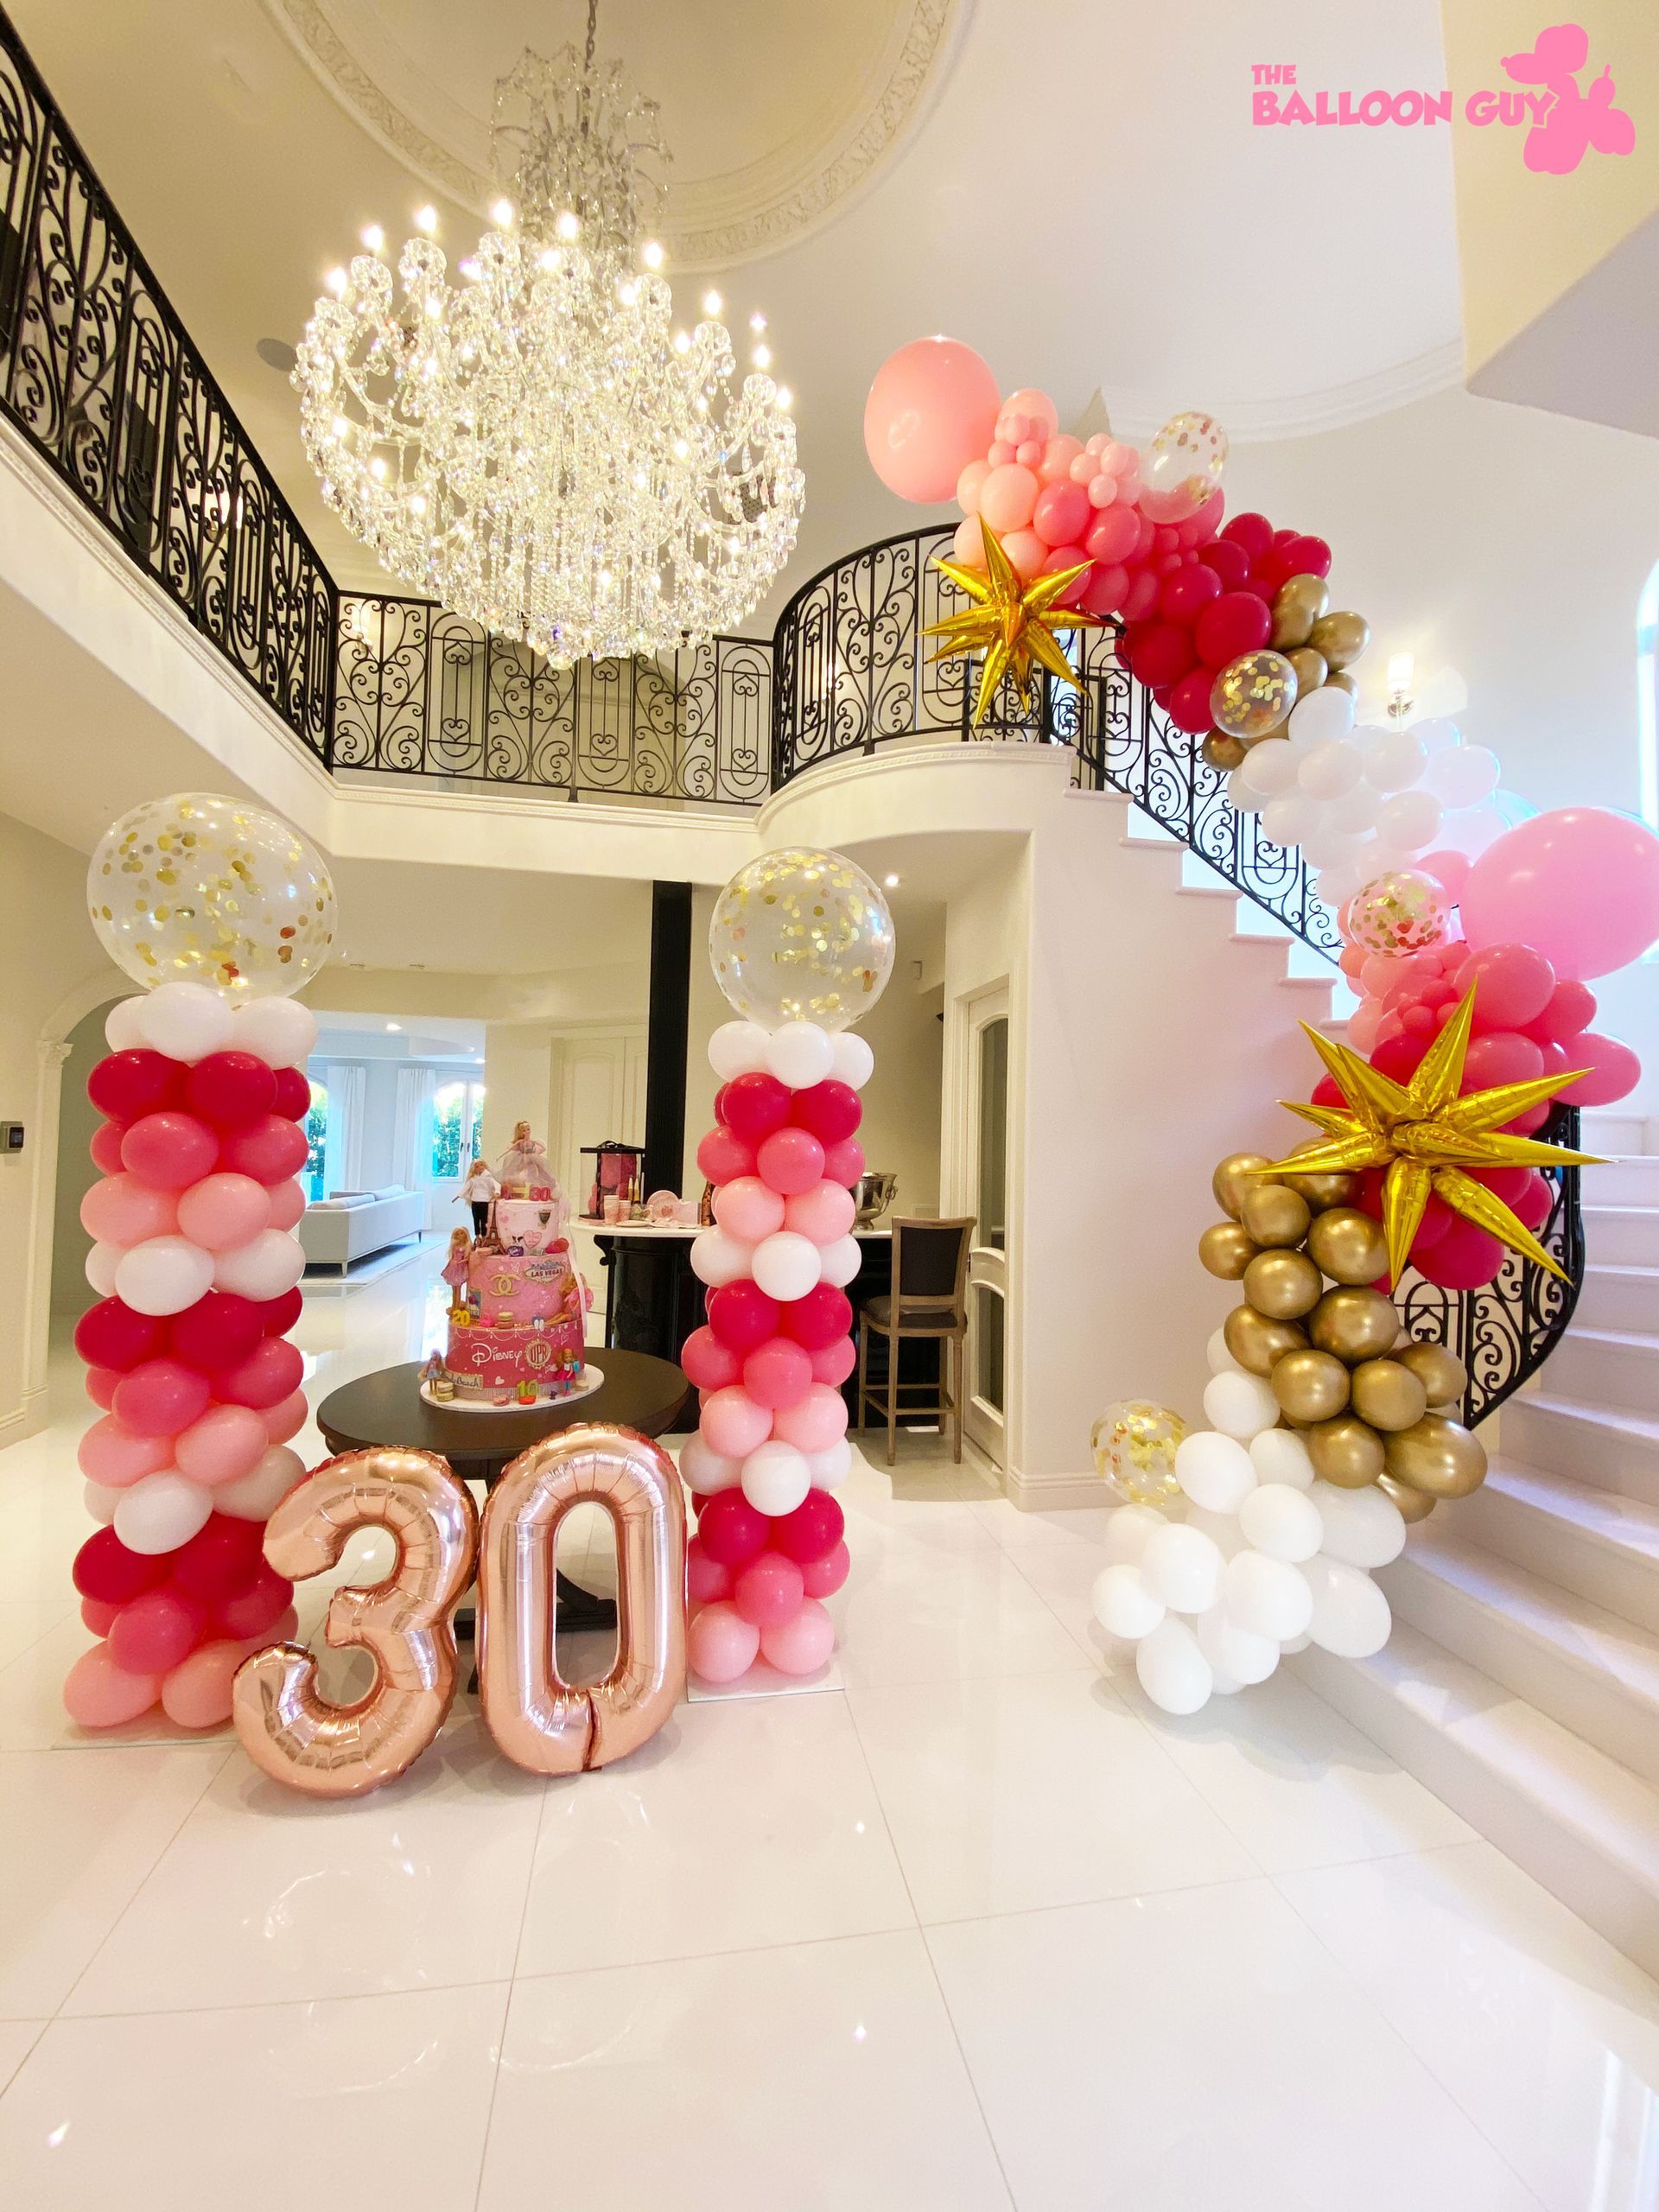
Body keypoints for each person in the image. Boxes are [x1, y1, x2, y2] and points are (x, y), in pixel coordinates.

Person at [496, 1121, 550, 1198]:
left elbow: (544, 1148)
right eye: (524, 1130)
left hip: (531, 1159)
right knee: (518, 1173)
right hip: (521, 1158)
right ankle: (520, 1191)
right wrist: (500, 1156)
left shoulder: (533, 1141)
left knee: (534, 1173)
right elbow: (509, 1149)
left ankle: (534, 1191)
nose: (527, 1132)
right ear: (521, 1132)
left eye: (528, 1129)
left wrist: (536, 1154)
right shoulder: (520, 1141)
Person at [456, 1157, 499, 1236]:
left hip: (484, 1202)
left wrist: (497, 1192)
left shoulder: (488, 1178)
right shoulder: (473, 1179)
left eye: (481, 1165)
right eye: (477, 1167)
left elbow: (496, 1185)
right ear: (474, 1169)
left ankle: (483, 1237)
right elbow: (466, 1187)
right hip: (475, 1202)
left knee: (484, 1221)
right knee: (476, 1220)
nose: (480, 1168)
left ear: (485, 1166)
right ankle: (477, 1237)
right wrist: (460, 1195)